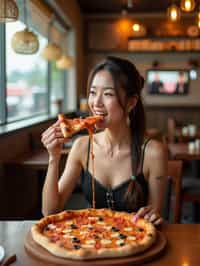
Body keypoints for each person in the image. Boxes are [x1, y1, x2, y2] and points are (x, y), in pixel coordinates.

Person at [41, 56, 168, 225]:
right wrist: (53, 158)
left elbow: (154, 217)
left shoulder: (154, 153)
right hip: (91, 242)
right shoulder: (81, 146)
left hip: (134, 242)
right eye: (93, 92)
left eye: (108, 94)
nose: (96, 103)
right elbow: (50, 212)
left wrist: (154, 215)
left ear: (131, 102)